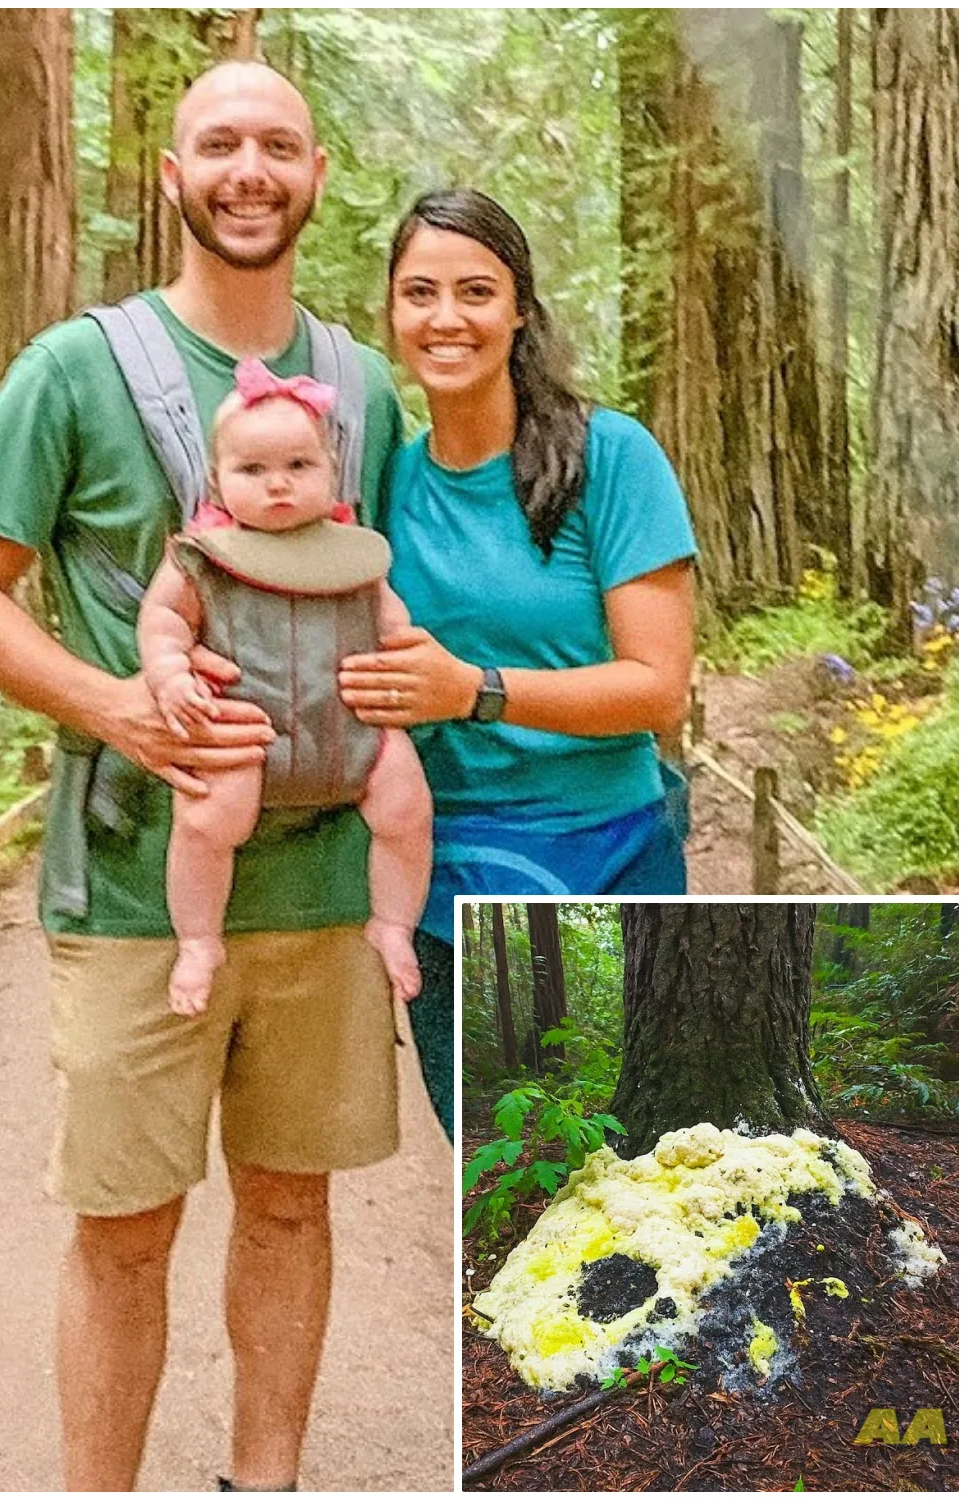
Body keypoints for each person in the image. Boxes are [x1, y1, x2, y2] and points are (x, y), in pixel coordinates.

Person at [0, 61, 411, 1494]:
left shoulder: (363, 387)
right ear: (174, 177)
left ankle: (268, 1482)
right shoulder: (75, 369)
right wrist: (114, 705)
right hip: (139, 882)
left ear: (317, 176)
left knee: (290, 1210)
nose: (248, 169)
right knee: (124, 1226)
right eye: (219, 145)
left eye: (277, 146)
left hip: (322, 884)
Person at [339, 189, 698, 1134]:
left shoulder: (609, 458)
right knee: (498, 1181)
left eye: (475, 291)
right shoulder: (386, 484)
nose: (446, 318)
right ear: (391, 312)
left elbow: (659, 690)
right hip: (450, 882)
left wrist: (474, 691)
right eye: (420, 293)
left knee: (640, 1156)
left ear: (519, 310)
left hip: (613, 855)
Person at [139, 358, 432, 1014]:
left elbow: (392, 620)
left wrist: (406, 656)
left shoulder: (353, 554)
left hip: (355, 730)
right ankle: (198, 939)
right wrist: (169, 672)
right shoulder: (204, 558)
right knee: (207, 822)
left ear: (331, 472)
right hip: (245, 735)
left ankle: (392, 924)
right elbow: (161, 620)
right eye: (253, 471)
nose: (278, 485)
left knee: (408, 813)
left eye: (299, 467)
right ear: (217, 481)